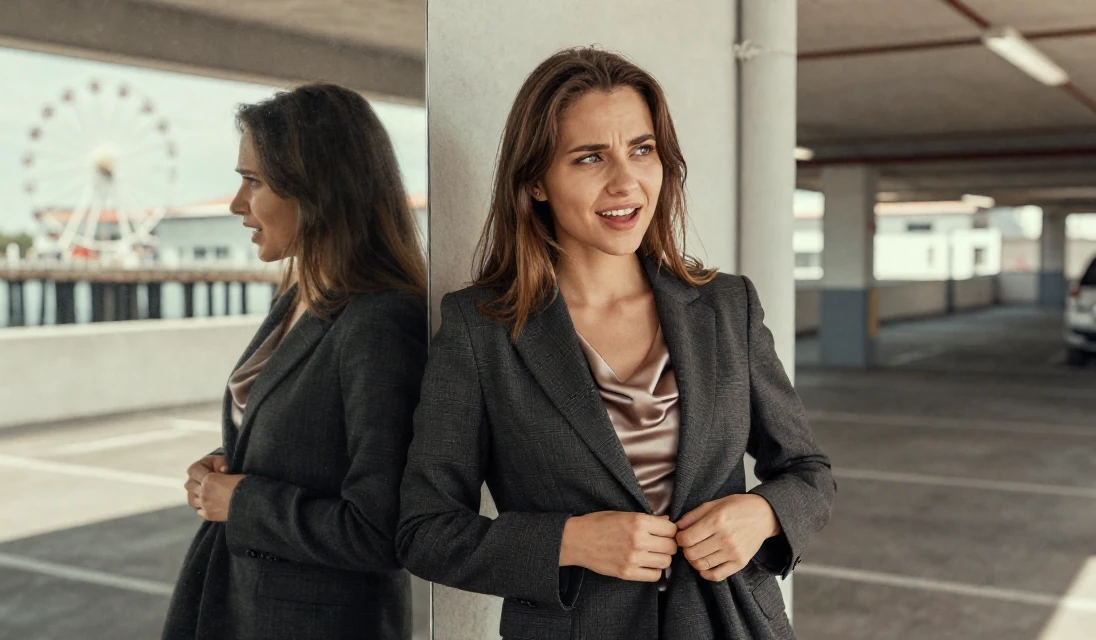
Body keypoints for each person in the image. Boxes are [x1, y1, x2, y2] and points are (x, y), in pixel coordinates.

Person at [397, 48, 834, 639]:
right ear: (536, 182)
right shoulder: (482, 328)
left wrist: (762, 514)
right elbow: (424, 530)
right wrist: (569, 542)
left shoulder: (728, 306)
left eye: (642, 149)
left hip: (732, 624)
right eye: (589, 158)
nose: (626, 182)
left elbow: (808, 471)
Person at [163, 82, 428, 640]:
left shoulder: (380, 323)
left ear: (318, 189)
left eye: (252, 181)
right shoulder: (300, 299)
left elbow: (382, 530)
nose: (237, 204)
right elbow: (309, 437)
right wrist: (228, 462)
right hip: (239, 607)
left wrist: (242, 501)